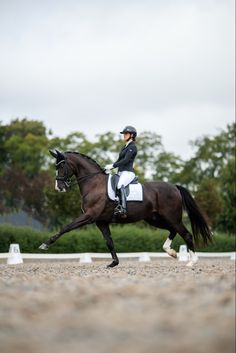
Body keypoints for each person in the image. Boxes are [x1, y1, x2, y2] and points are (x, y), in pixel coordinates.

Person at [105, 125, 137, 218]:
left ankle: (123, 209)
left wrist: (113, 166)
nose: (124, 135)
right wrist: (109, 168)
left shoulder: (133, 147)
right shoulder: (124, 147)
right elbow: (119, 161)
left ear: (132, 135)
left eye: (126, 134)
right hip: (121, 172)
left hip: (128, 172)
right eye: (124, 134)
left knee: (120, 185)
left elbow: (126, 160)